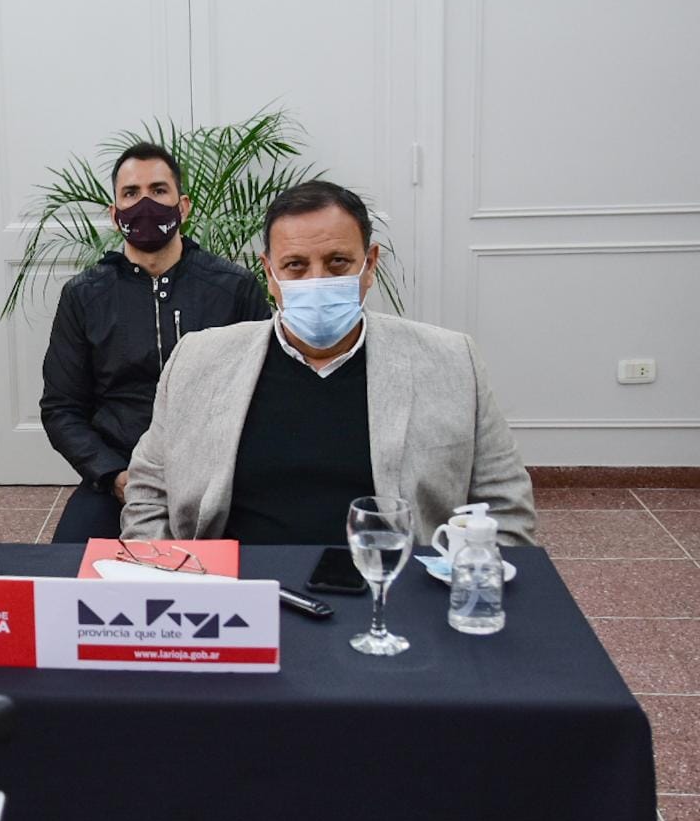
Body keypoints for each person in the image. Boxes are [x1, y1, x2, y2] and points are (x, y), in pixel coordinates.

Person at [121, 180, 536, 546]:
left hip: (393, 587)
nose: (316, 281)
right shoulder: (198, 361)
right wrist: (173, 581)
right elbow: (149, 495)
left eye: (337, 262)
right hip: (235, 591)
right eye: (295, 266)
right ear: (269, 273)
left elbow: (506, 510)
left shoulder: (451, 363)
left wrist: (453, 593)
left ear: (369, 265)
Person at [40, 142, 272, 542]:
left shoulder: (233, 288)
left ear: (183, 206)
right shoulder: (84, 296)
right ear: (115, 214)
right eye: (131, 194)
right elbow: (61, 408)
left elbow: (268, 390)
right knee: (68, 567)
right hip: (119, 475)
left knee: (266, 565)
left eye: (158, 190)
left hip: (219, 477)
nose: (145, 204)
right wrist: (113, 474)